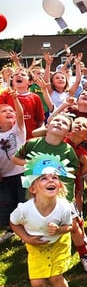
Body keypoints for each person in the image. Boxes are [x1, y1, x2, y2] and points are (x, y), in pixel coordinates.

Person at [12, 115, 87, 273]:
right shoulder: (32, 143)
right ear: (47, 126)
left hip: (62, 193)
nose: (59, 123)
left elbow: (74, 169)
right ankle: (38, 254)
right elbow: (16, 159)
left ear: (66, 133)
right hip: (36, 192)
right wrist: (30, 164)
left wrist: (58, 168)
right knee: (35, 221)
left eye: (64, 123)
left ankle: (83, 253)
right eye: (56, 121)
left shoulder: (67, 149)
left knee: (73, 225)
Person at [10, 153, 76, 287]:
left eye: (54, 177)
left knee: (55, 277)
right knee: (37, 282)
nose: (50, 180)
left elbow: (70, 227)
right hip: (35, 246)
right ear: (33, 188)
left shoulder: (64, 207)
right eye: (44, 178)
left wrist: (59, 230)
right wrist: (26, 238)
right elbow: (13, 223)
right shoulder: (24, 209)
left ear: (60, 186)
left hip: (58, 243)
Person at [0, 91, 26, 243]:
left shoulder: (18, 130)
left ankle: (27, 228)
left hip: (22, 173)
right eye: (4, 111)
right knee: (7, 203)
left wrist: (15, 99)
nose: (9, 112)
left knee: (24, 202)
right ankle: (11, 229)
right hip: (5, 176)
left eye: (11, 111)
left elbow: (21, 116)